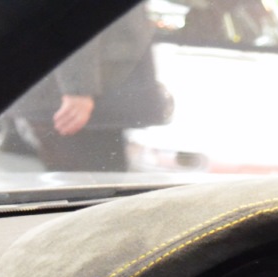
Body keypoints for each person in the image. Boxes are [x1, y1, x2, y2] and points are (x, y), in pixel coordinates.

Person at [13, 6, 165, 172]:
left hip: (96, 91)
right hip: (86, 96)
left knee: (92, 176)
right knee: (88, 178)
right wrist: (78, 89)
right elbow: (78, 15)